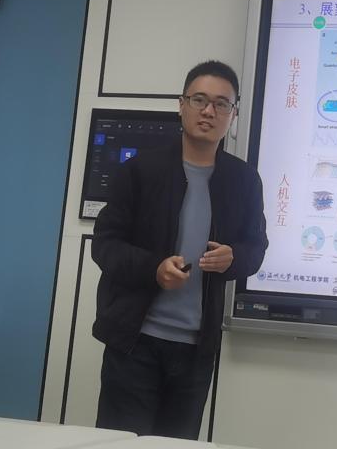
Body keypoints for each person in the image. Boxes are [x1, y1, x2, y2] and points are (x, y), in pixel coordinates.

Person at [91, 60, 267, 439]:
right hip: (134, 344)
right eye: (199, 100)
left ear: (233, 114)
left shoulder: (244, 181)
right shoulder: (140, 171)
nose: (209, 111)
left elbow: (256, 248)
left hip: (195, 353)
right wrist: (153, 268)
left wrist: (234, 257)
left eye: (221, 104)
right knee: (120, 443)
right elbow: (105, 245)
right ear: (181, 105)